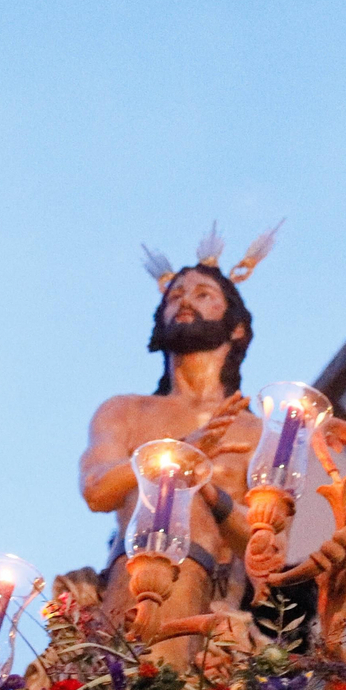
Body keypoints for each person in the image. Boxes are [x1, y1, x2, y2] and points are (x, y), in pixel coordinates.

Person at [76, 227, 279, 655]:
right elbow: (97, 490)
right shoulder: (124, 411)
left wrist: (204, 484)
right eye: (175, 296)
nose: (184, 300)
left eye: (203, 293)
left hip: (212, 615)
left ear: (237, 329)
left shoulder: (257, 433)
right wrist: (181, 451)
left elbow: (268, 550)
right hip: (125, 588)